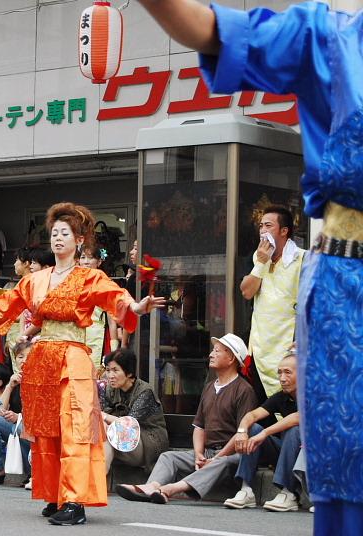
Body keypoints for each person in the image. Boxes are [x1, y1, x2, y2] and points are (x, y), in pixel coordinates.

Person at [135, 2, 363, 531]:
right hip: (338, 309)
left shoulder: (303, 257)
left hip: (298, 335)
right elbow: (211, 29)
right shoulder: (330, 36)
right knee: (348, 464)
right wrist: (259, 260)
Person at [0, 202, 164, 526]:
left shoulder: (89, 277)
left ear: (79, 240)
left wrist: (137, 306)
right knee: (47, 431)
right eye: (55, 233)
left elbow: (116, 298)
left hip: (72, 356)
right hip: (42, 359)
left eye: (65, 233)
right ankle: (56, 494)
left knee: (74, 428)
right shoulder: (37, 279)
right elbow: (6, 303)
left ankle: (75, 500)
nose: (58, 238)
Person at [117, 334, 257, 505]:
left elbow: (242, 432)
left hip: (232, 455)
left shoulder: (244, 390)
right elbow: (199, 426)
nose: (211, 354)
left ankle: (170, 489)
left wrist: (218, 456)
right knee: (169, 457)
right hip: (208, 453)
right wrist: (199, 454)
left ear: (231, 359)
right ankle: (152, 487)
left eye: (217, 351)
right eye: (213, 350)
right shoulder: (209, 387)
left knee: (222, 461)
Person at [224, 350, 302, 512]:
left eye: (288, 373)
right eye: (279, 373)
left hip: (308, 454)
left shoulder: (313, 395)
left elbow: (298, 417)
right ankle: (246, 490)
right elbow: (252, 415)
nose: (282, 378)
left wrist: (265, 433)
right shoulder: (281, 397)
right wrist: (242, 431)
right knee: (253, 427)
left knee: (293, 430)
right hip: (285, 451)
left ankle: (288, 493)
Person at [240, 206, 304, 401]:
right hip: (259, 348)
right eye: (260, 226)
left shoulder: (303, 258)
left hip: (287, 346)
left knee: (289, 408)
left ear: (284, 231)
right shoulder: (259, 257)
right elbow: (246, 292)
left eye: (268, 225)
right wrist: (260, 263)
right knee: (261, 407)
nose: (262, 231)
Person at [100, 349, 168, 473]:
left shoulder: (145, 391)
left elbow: (129, 425)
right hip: (118, 437)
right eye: (108, 370)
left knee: (107, 435)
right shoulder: (110, 389)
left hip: (148, 442)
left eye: (115, 370)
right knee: (103, 434)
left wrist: (103, 416)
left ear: (129, 373)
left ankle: (97, 486)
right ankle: (99, 484)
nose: (110, 376)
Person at [0, 341, 32, 486]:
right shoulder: (16, 380)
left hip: (33, 427)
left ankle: (33, 473)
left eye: (28, 356)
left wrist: (18, 417)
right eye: (20, 357)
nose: (24, 360)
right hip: (17, 425)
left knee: (23, 429)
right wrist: (10, 386)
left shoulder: (39, 379)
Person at [79, 246, 120, 365]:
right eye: (83, 257)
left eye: (90, 258)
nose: (86, 261)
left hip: (97, 334)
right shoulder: (73, 282)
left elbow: (112, 320)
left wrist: (114, 348)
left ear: (99, 261)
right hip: (76, 334)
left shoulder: (106, 284)